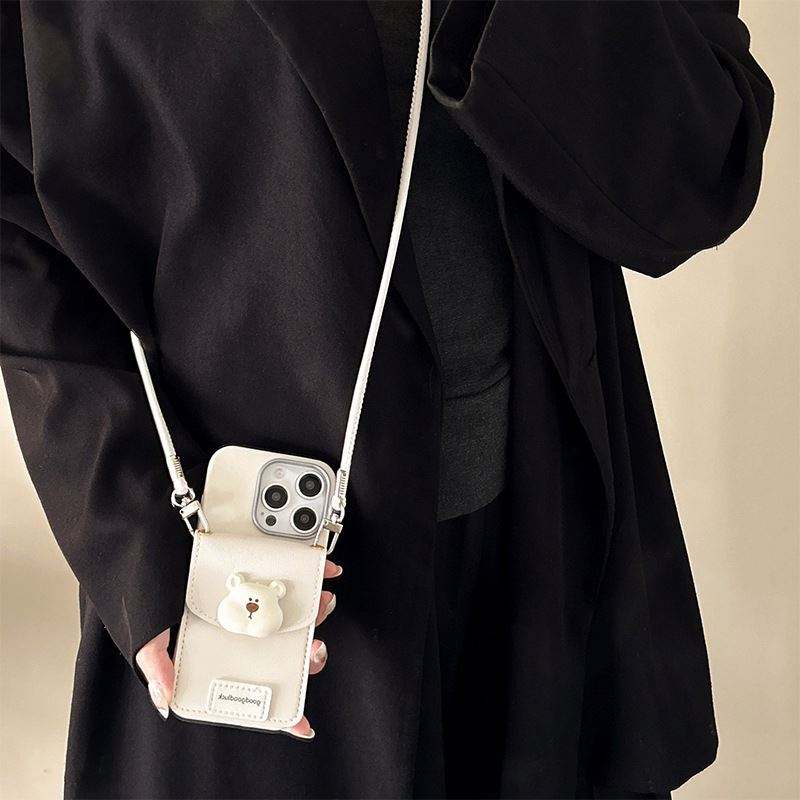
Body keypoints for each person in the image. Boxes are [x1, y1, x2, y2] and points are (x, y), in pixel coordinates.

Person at [0, 1, 773, 798]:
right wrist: (132, 536)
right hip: (247, 566)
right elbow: (13, 224)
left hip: (544, 553)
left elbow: (699, 173)